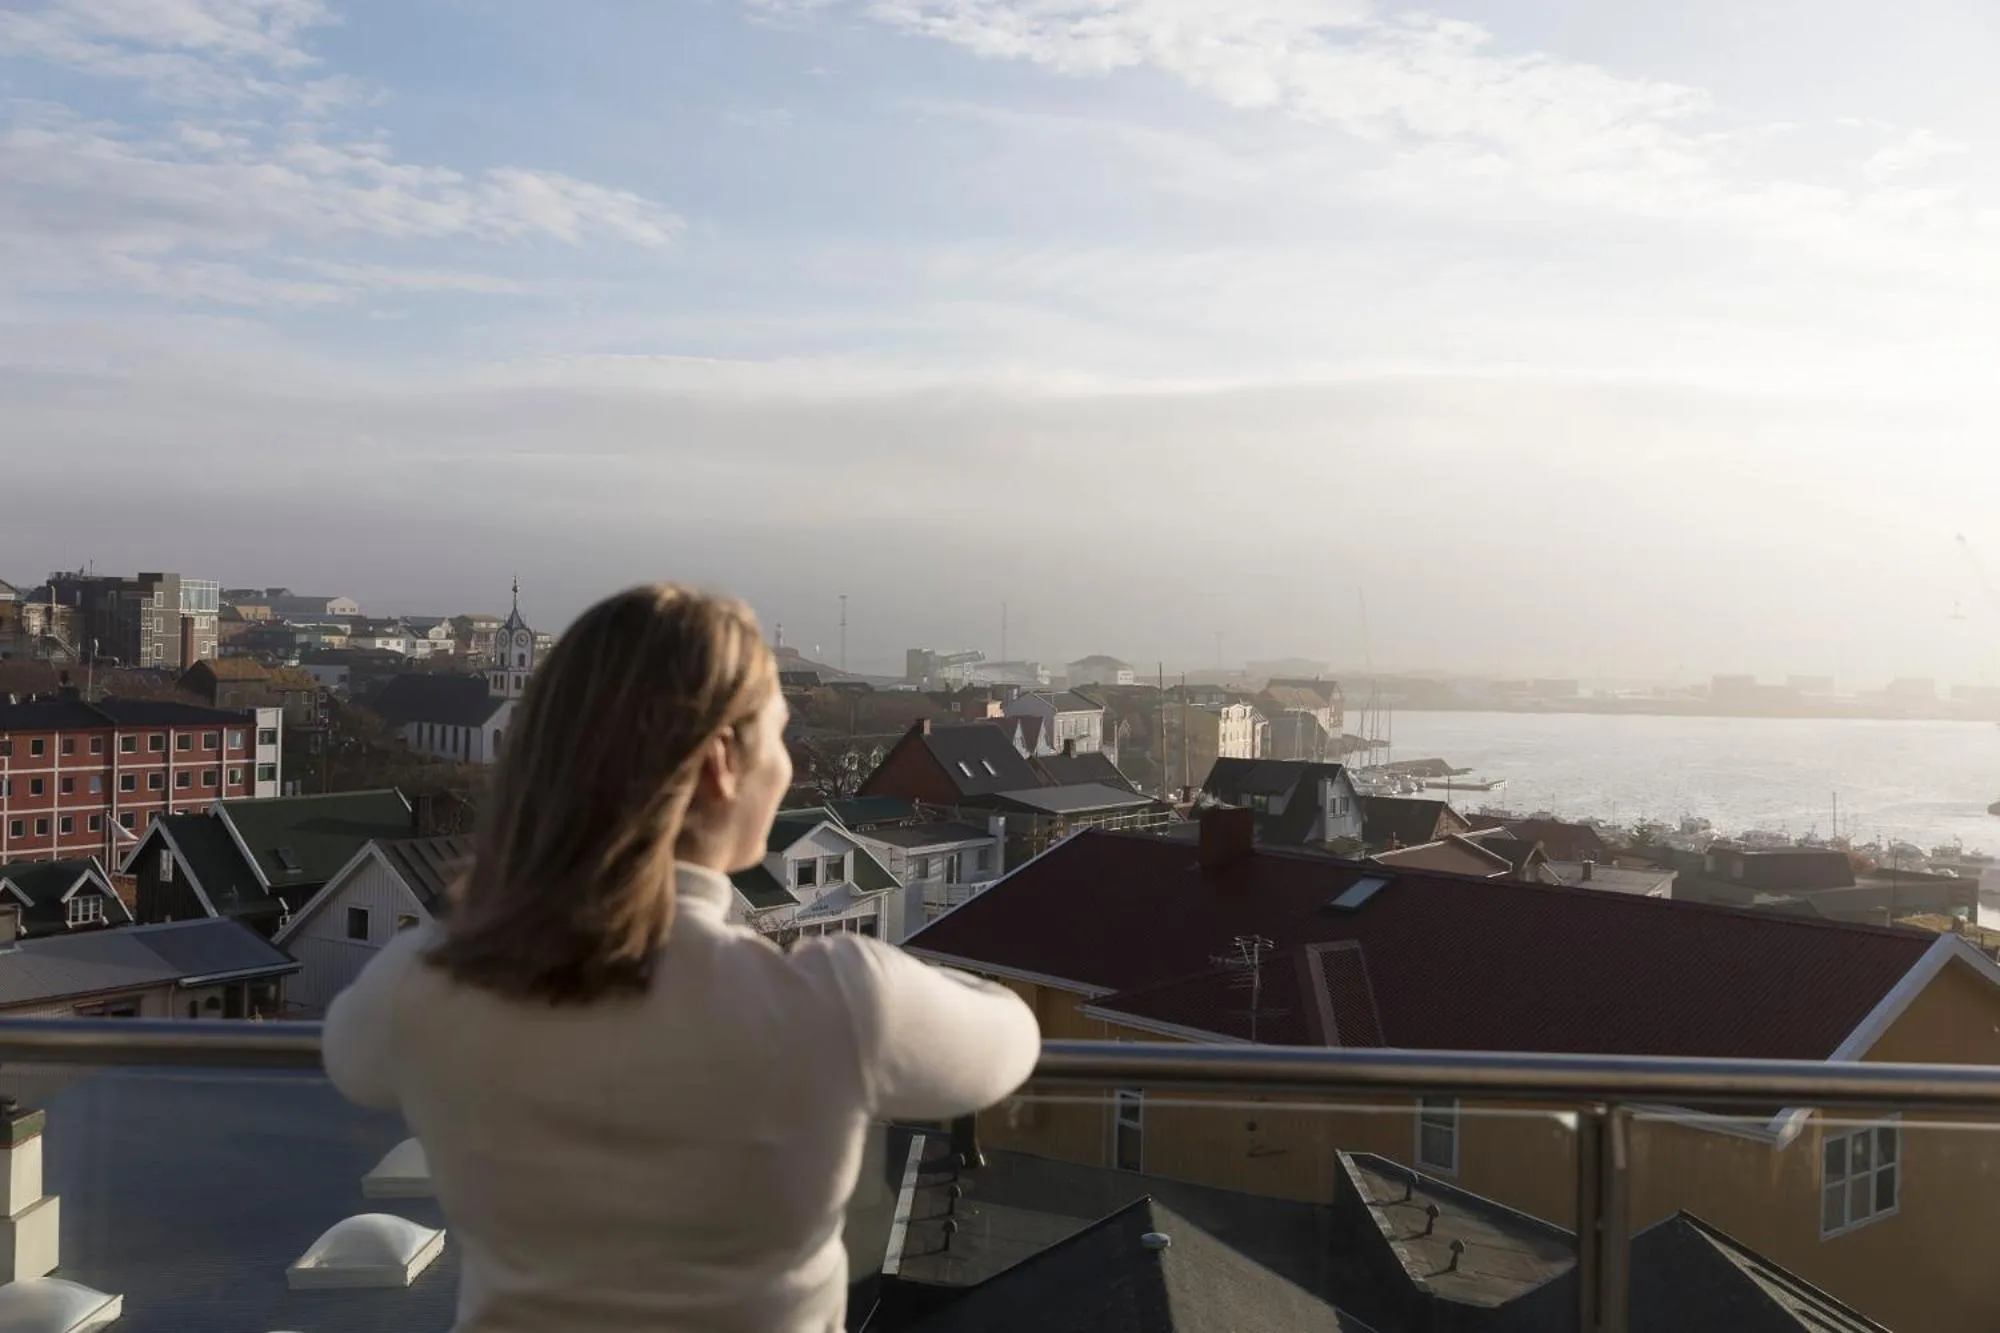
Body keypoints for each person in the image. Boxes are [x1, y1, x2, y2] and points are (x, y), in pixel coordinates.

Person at [322, 584, 1041, 1332]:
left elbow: (353, 1059)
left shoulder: (431, 981)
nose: (789, 769)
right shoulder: (833, 1002)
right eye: (778, 739)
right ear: (722, 762)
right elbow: (1009, 1039)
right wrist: (885, 984)